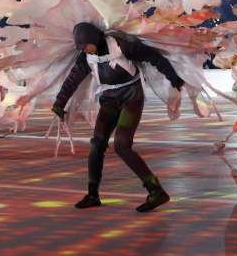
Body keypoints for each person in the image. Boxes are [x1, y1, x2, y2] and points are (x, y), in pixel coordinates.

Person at [52, 22, 184, 212]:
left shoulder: (121, 45)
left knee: (122, 145)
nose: (85, 50)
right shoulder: (86, 56)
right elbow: (73, 79)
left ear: (94, 38)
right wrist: (59, 102)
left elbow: (153, 56)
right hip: (109, 100)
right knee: (97, 143)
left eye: (86, 45)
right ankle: (92, 195)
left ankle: (156, 191)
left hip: (131, 96)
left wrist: (173, 77)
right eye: (81, 48)